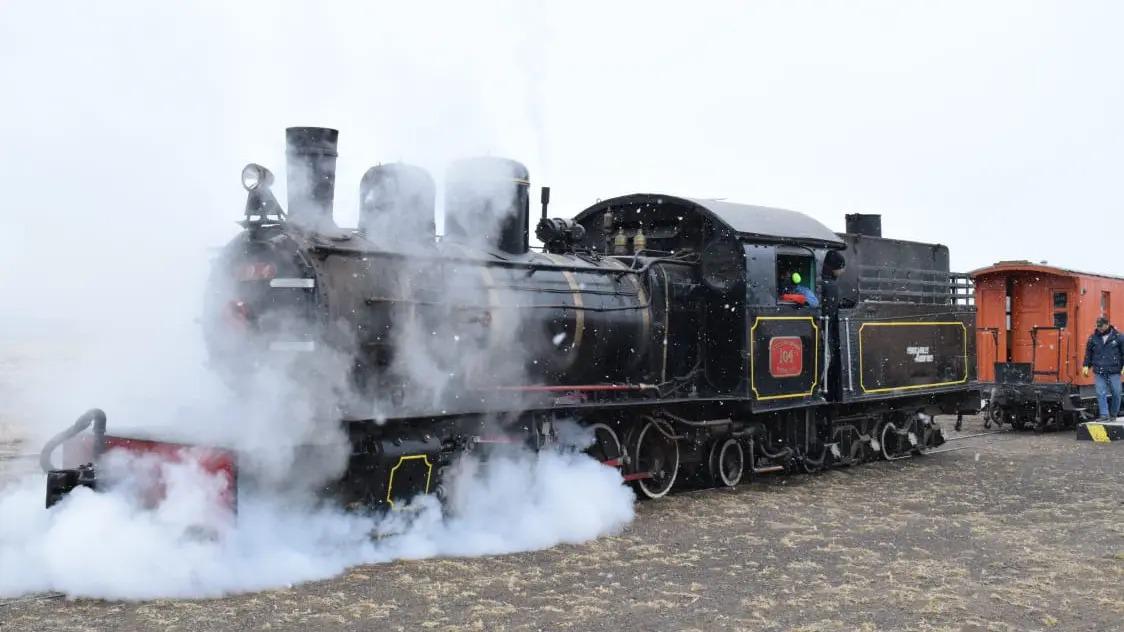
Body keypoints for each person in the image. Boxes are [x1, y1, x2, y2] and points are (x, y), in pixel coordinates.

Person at [1082, 315, 1124, 420]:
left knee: (1117, 393)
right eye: (1098, 326)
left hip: (1114, 370)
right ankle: (1104, 415)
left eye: (1101, 326)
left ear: (1107, 325)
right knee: (1100, 392)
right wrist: (1086, 365)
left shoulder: (1119, 337)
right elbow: (1089, 353)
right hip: (1099, 370)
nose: (1099, 328)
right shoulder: (1093, 338)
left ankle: (1113, 414)